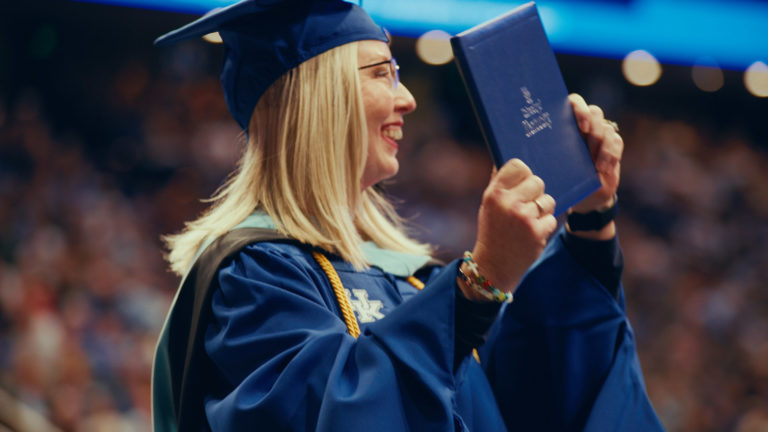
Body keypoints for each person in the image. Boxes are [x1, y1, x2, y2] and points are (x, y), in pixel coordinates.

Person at [150, 0, 664, 431]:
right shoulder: (255, 278)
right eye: (381, 73)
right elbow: (329, 418)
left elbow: (536, 397)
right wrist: (478, 283)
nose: (409, 98)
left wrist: (590, 220)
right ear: (319, 96)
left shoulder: (416, 282)